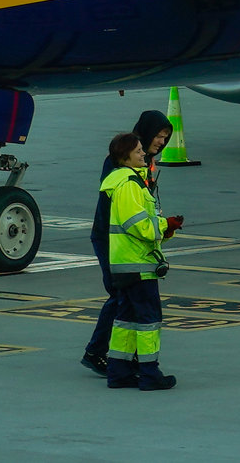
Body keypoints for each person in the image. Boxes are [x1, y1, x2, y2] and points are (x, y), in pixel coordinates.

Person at [82, 109, 173, 376]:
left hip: (130, 240)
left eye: (166, 137)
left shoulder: (145, 162)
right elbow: (126, 207)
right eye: (158, 136)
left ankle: (123, 358)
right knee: (120, 295)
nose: (162, 142)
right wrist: (159, 227)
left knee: (128, 297)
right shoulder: (121, 165)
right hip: (111, 238)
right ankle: (96, 352)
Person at [101, 131, 182, 390]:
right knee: (148, 320)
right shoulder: (129, 185)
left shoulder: (128, 182)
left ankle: (119, 371)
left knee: (126, 319)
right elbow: (138, 226)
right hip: (137, 265)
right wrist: (164, 225)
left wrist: (165, 230)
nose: (143, 154)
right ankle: (149, 374)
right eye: (137, 151)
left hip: (127, 264)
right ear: (125, 157)